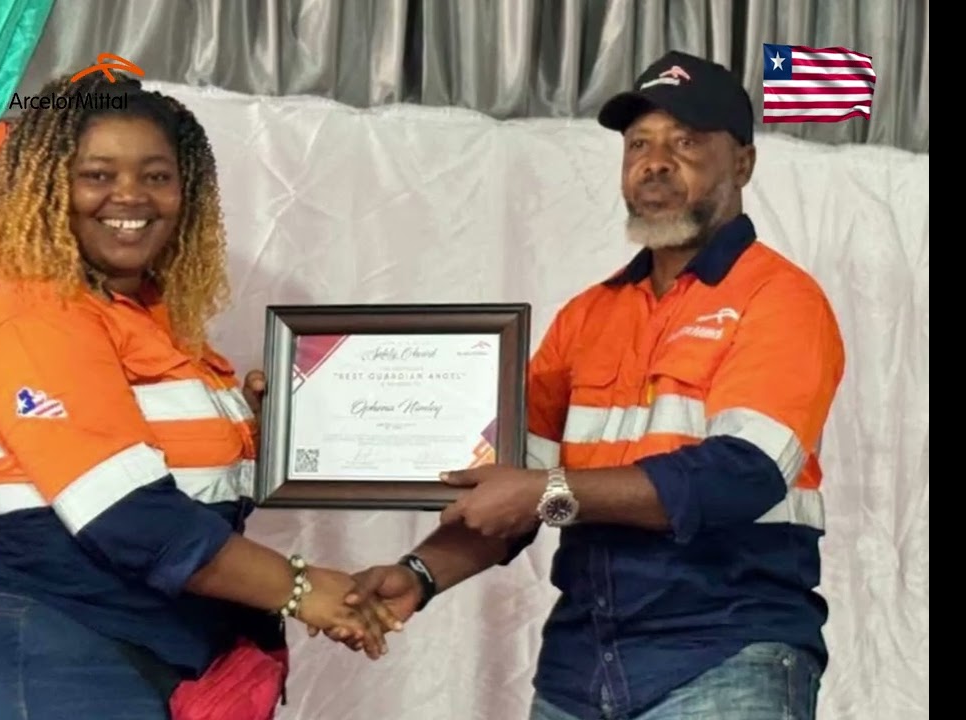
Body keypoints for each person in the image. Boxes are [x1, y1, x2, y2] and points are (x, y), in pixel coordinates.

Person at [341, 51, 846, 720]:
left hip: (725, 657)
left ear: (743, 164)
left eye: (686, 142)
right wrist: (419, 574)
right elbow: (516, 489)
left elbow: (740, 475)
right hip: (580, 671)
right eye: (639, 144)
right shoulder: (587, 316)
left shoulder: (779, 299)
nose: (655, 162)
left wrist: (543, 491)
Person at [0, 72, 399, 720]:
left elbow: (196, 487)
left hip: (148, 650)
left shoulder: (149, 320)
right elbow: (130, 516)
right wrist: (301, 588)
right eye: (97, 174)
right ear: (46, 186)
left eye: (157, 176)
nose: (131, 195)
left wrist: (267, 432)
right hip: (63, 658)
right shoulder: (34, 314)